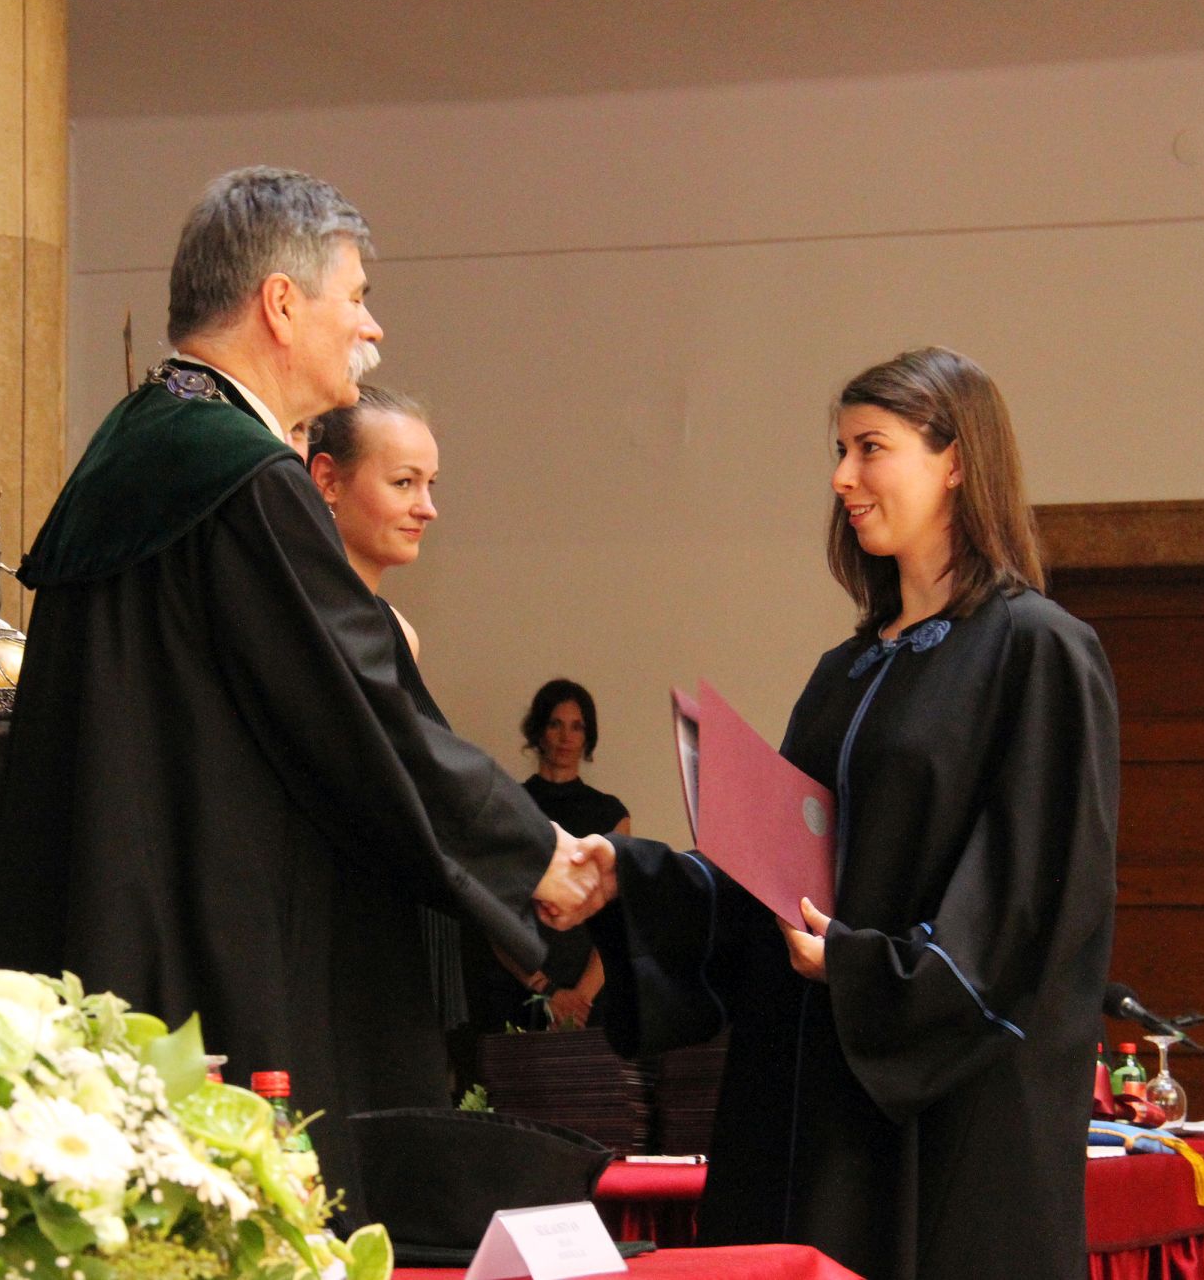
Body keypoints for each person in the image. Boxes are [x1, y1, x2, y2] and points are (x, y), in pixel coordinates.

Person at [0, 167, 611, 1208]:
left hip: (121, 918)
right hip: (219, 944)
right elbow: (360, 708)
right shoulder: (244, 477)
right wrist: (527, 849)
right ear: (279, 302)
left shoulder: (133, 444)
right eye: (354, 296)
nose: (371, 327)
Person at [592, 347, 1118, 1279]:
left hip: (944, 1112)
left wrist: (867, 968)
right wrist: (624, 877)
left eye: (870, 447)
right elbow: (779, 878)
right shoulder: (846, 670)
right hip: (813, 1093)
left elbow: (1032, 899)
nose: (842, 478)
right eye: (839, 451)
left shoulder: (1037, 650)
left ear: (954, 461)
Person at [307, 387, 464, 1031]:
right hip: (344, 937)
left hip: (408, 921)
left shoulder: (399, 631)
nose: (426, 507)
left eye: (430, 484)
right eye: (404, 483)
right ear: (328, 481)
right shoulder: (309, 622)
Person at [466, 680, 629, 1033]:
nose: (566, 737)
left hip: (592, 991)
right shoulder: (509, 804)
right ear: (539, 731)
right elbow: (495, 908)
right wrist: (545, 989)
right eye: (556, 724)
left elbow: (618, 916)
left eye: (577, 726)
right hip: (517, 984)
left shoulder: (610, 813)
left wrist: (581, 998)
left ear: (588, 736)